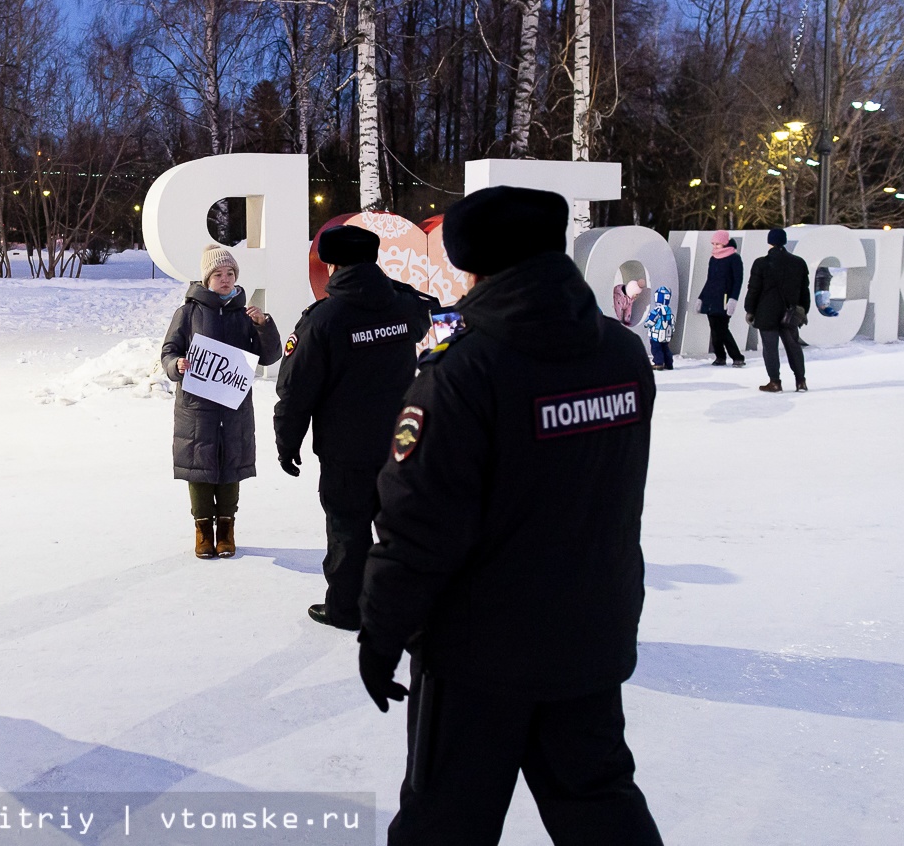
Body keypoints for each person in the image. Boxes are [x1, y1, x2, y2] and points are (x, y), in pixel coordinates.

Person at [357, 186, 663, 845]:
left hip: (478, 656)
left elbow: (417, 527)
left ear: (472, 266)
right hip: (590, 629)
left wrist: (381, 633)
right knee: (599, 803)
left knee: (446, 820)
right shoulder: (620, 354)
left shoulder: (463, 372)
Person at [273, 225, 433, 630]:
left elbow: (296, 390)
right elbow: (420, 321)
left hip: (347, 447)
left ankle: (347, 609)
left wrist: (286, 442)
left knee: (348, 527)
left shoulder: (324, 318)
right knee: (399, 525)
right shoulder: (402, 304)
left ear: (330, 264)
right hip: (402, 440)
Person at [161, 244, 282, 559]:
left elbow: (270, 356)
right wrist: (177, 365)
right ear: (206, 278)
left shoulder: (245, 314)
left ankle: (226, 529)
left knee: (230, 466)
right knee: (199, 468)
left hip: (233, 407)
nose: (225, 279)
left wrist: (263, 326)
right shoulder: (188, 312)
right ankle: (203, 530)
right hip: (196, 409)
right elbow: (169, 350)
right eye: (218, 274)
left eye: (230, 273)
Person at [744, 228, 810, 392]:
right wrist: (803, 310)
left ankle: (775, 382)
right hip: (790, 312)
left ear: (770, 242)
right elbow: (804, 290)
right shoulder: (798, 262)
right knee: (793, 347)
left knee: (770, 348)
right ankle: (800, 381)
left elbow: (754, 289)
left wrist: (750, 309)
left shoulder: (761, 263)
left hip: (766, 312)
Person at [696, 231, 745, 366]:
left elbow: (738, 280)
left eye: (718, 244)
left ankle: (737, 357)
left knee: (722, 328)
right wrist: (701, 297)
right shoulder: (713, 258)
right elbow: (710, 280)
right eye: (714, 244)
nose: (715, 246)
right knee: (714, 329)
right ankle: (720, 356)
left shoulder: (734, 258)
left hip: (724, 300)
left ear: (724, 243)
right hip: (711, 299)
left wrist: (733, 299)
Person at [643, 285, 675, 370]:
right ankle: (669, 363)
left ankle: (659, 363)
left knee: (656, 349)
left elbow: (651, 319)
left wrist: (646, 324)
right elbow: (672, 322)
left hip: (656, 334)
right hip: (666, 334)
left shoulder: (657, 310)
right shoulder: (669, 310)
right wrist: (672, 331)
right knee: (665, 348)